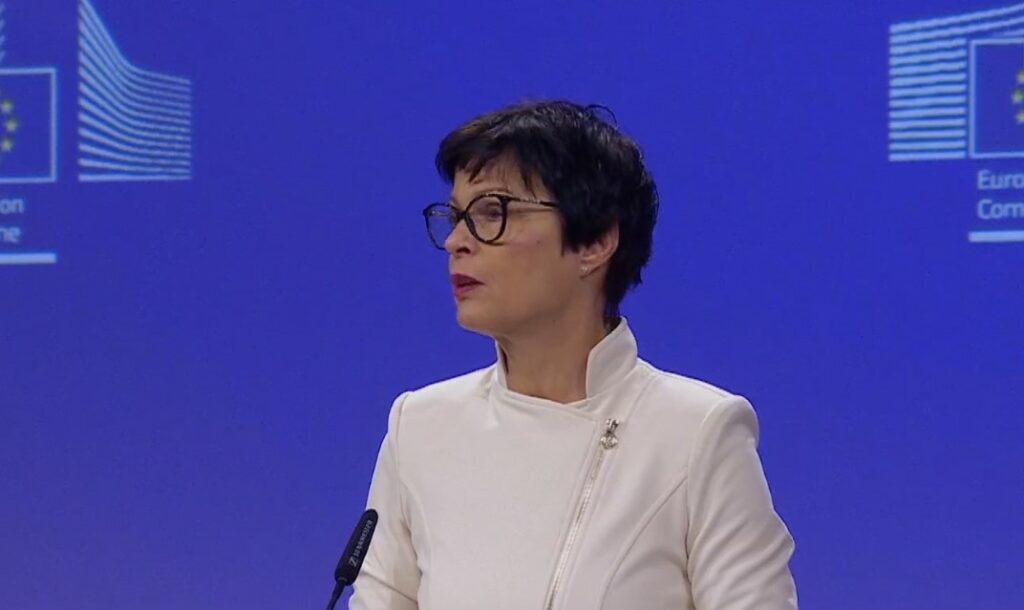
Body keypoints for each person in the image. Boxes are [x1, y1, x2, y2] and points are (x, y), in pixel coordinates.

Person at [348, 100, 797, 610]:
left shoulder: (697, 434)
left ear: (596, 242)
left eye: (492, 212)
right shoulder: (419, 427)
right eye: (455, 217)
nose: (456, 242)